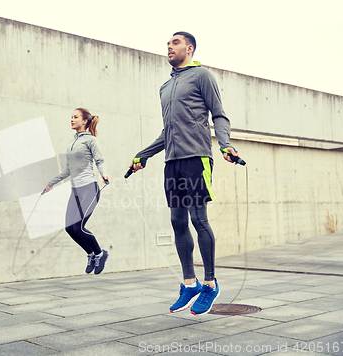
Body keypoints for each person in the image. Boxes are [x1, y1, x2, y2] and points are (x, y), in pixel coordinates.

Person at [128, 31, 241, 315]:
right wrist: (143, 154)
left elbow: (219, 115)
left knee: (198, 219)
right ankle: (189, 283)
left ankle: (210, 284)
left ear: (189, 48)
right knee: (177, 221)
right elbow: (168, 131)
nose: (169, 46)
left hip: (196, 159)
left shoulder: (202, 76)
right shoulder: (165, 87)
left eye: (175, 43)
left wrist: (225, 144)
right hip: (173, 162)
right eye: (167, 43)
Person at [46, 108, 110, 275]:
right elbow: (68, 170)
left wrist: (103, 172)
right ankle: (91, 254)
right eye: (71, 117)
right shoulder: (71, 144)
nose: (72, 120)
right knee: (69, 228)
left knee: (79, 227)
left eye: (75, 117)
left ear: (85, 121)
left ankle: (100, 254)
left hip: (90, 189)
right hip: (75, 191)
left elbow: (99, 160)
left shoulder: (91, 140)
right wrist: (51, 183)